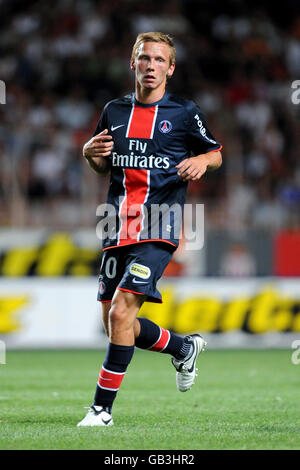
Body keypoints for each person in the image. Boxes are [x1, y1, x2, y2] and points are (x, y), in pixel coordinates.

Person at [77, 32, 222, 427]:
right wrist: (90, 155)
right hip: (115, 223)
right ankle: (182, 346)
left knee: (122, 313)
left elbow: (214, 151)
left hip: (159, 224)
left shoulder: (183, 111)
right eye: (145, 58)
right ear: (133, 63)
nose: (151, 66)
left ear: (170, 69)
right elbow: (104, 165)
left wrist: (203, 163)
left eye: (160, 60)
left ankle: (100, 410)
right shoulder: (113, 111)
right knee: (113, 321)